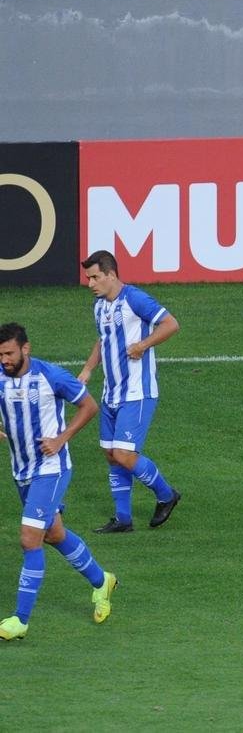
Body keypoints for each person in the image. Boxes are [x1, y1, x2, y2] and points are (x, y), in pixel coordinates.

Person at [0, 323, 117, 641]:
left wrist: (61, 438)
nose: (4, 360)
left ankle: (20, 620)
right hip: (21, 471)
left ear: (26, 349)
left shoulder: (51, 376)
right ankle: (102, 581)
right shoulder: (1, 377)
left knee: (30, 539)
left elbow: (89, 406)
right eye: (0, 355)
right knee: (54, 533)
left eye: (9, 353)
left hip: (51, 469)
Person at [79, 249, 182, 534]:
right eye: (88, 278)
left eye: (95, 277)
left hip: (137, 392)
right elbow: (103, 339)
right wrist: (88, 369)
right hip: (111, 393)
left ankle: (166, 494)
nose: (90, 284)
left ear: (111, 275)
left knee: (124, 454)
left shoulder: (134, 299)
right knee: (111, 454)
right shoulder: (100, 306)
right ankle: (123, 519)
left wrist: (143, 345)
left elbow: (171, 323)